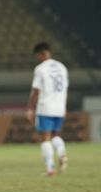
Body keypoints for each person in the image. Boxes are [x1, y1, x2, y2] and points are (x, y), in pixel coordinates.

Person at [26, 41, 69, 176]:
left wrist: (30, 109)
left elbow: (36, 91)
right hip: (60, 106)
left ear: (42, 54)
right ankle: (62, 153)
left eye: (38, 56)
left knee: (45, 138)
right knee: (55, 135)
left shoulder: (41, 69)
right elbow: (65, 89)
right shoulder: (62, 67)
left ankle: (50, 169)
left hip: (46, 106)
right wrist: (64, 106)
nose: (38, 59)